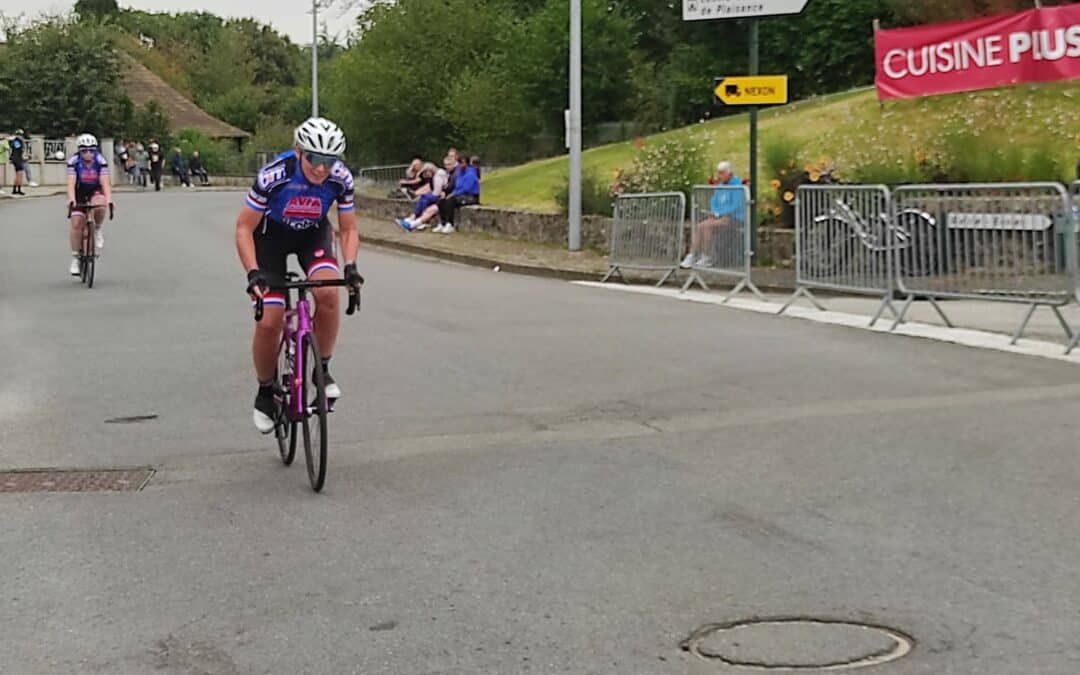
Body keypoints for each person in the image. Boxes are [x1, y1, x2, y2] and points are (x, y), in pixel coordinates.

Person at [235, 117, 363, 434]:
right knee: (270, 320)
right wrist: (253, 273)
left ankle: (322, 370)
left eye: (329, 161)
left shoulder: (341, 179)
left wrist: (350, 266)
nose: (321, 169)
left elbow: (348, 228)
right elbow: (244, 228)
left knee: (328, 295)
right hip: (270, 240)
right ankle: (266, 391)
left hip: (312, 235)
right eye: (314, 159)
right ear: (297, 151)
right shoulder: (274, 176)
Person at [681, 161, 745, 269]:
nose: (719, 176)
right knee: (700, 226)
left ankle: (707, 257)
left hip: (734, 218)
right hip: (720, 216)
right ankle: (692, 255)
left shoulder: (737, 187)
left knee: (707, 226)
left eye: (722, 173)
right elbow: (714, 202)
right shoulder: (720, 187)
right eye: (718, 173)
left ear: (729, 173)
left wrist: (721, 213)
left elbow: (736, 205)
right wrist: (714, 213)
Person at [66, 133, 113, 276]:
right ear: (79, 151)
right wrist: (71, 199)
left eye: (91, 150)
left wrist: (109, 199)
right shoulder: (74, 161)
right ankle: (75, 257)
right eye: (84, 150)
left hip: (95, 189)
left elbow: (105, 183)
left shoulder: (100, 160)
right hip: (79, 190)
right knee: (76, 224)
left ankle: (97, 228)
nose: (88, 153)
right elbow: (70, 184)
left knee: (100, 204)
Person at [435, 155, 481, 234]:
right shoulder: (459, 173)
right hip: (460, 195)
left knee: (451, 201)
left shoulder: (471, 173)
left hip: (470, 196)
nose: (461, 165)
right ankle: (443, 223)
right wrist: (452, 193)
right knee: (441, 201)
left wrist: (454, 194)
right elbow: (457, 186)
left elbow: (466, 188)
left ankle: (450, 224)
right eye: (460, 163)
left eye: (463, 163)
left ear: (467, 163)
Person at [8, 129, 27, 195]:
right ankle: (18, 190)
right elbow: (19, 149)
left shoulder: (14, 140)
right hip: (17, 159)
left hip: (16, 159)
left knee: (17, 174)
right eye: (21, 135)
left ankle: (14, 190)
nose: (22, 136)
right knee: (20, 174)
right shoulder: (17, 141)